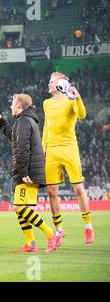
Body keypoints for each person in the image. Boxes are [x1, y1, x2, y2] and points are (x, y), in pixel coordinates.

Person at [0, 93, 59, 252]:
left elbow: (22, 149)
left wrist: (22, 172)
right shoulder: (25, 121)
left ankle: (51, 234)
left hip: (27, 171)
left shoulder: (23, 121)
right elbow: (14, 137)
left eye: (13, 103)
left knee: (19, 208)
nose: (10, 106)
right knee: (20, 208)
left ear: (20, 106)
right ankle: (30, 244)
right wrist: (0, 121)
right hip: (27, 170)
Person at [42, 72, 94, 245]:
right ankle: (59, 230)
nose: (48, 84)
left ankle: (88, 227)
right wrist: (43, 148)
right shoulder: (46, 103)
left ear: (61, 84)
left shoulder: (71, 100)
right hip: (52, 150)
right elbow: (46, 127)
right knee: (51, 192)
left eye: (51, 81)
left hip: (69, 148)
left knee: (78, 188)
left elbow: (82, 115)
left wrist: (77, 97)